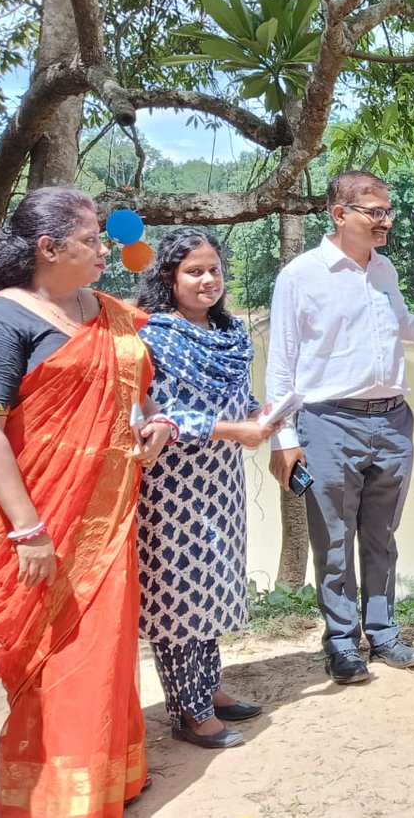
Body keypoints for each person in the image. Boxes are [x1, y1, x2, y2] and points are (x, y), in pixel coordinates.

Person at [0, 187, 174, 817]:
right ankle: (57, 797)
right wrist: (28, 529)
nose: (105, 249)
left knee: (107, 647)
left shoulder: (108, 313)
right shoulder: (2, 319)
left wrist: (157, 426)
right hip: (40, 524)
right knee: (57, 655)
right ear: (49, 247)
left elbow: (140, 398)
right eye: (93, 239)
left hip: (109, 515)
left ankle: (109, 777)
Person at [266, 171, 414, 684]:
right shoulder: (301, 276)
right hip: (327, 424)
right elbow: (281, 364)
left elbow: (399, 321)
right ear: (340, 215)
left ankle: (382, 633)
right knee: (332, 541)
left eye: (388, 212)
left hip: (392, 421)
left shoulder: (384, 270)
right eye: (374, 212)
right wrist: (284, 438)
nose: (385, 221)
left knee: (382, 535)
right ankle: (341, 642)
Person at [136, 228, 275, 749]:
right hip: (172, 482)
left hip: (222, 479)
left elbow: (238, 393)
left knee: (215, 579)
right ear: (169, 277)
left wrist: (260, 413)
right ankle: (187, 712)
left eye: (214, 269)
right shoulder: (152, 335)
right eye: (194, 271)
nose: (208, 280)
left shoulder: (231, 334)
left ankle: (208, 685)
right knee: (179, 593)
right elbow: (157, 414)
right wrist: (231, 429)